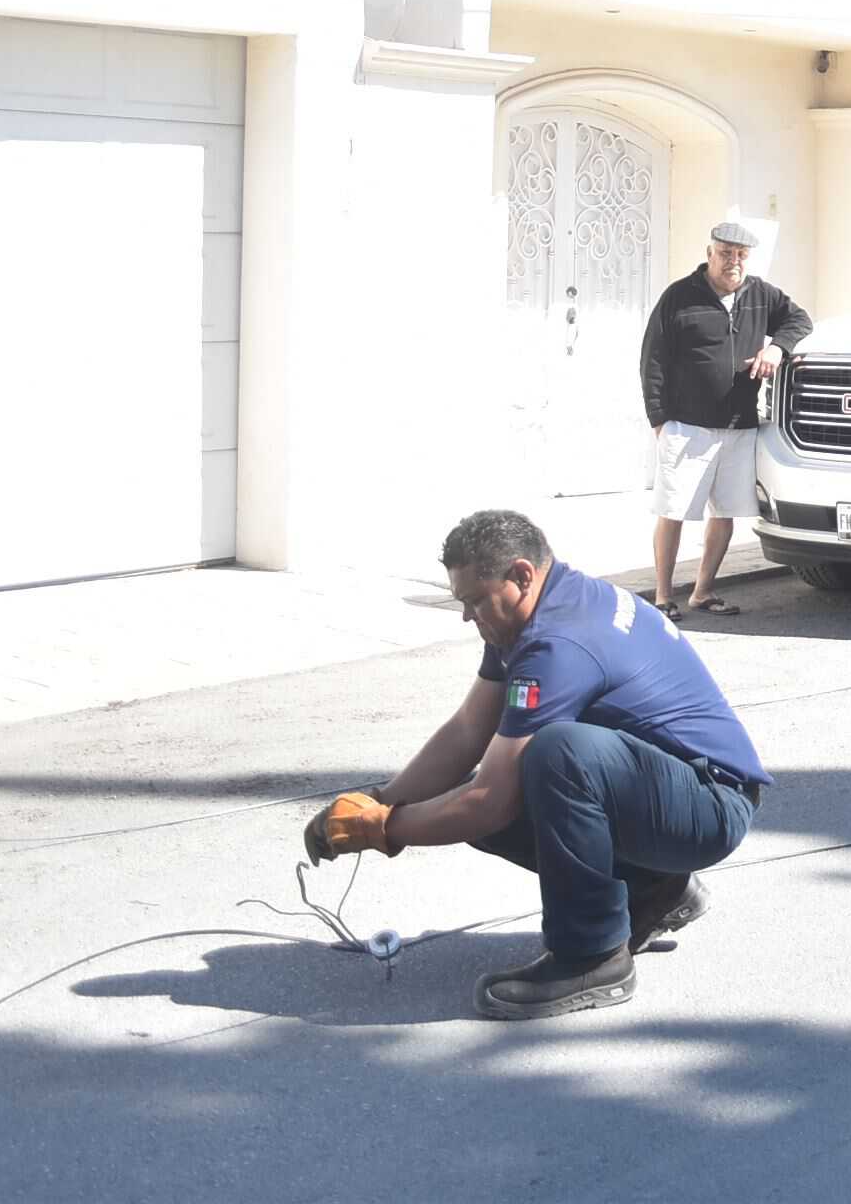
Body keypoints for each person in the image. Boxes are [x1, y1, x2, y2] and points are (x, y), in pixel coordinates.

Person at [302, 509, 769, 1020]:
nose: (467, 615)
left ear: (522, 575)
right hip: (671, 790)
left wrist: (381, 828)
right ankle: (656, 887)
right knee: (474, 790)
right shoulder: (541, 611)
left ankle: (591, 956)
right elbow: (467, 731)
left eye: (474, 600)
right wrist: (381, 801)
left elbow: (489, 803)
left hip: (709, 806)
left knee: (553, 756)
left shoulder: (559, 642)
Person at [640, 216, 812, 621]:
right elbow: (652, 360)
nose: (732, 262)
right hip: (687, 426)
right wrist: (659, 420)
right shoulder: (680, 297)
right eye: (725, 254)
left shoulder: (761, 295)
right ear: (709, 254)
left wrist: (777, 350)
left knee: (725, 514)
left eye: (740, 255)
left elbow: (799, 320)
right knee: (675, 511)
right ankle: (663, 596)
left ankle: (703, 592)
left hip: (738, 426)